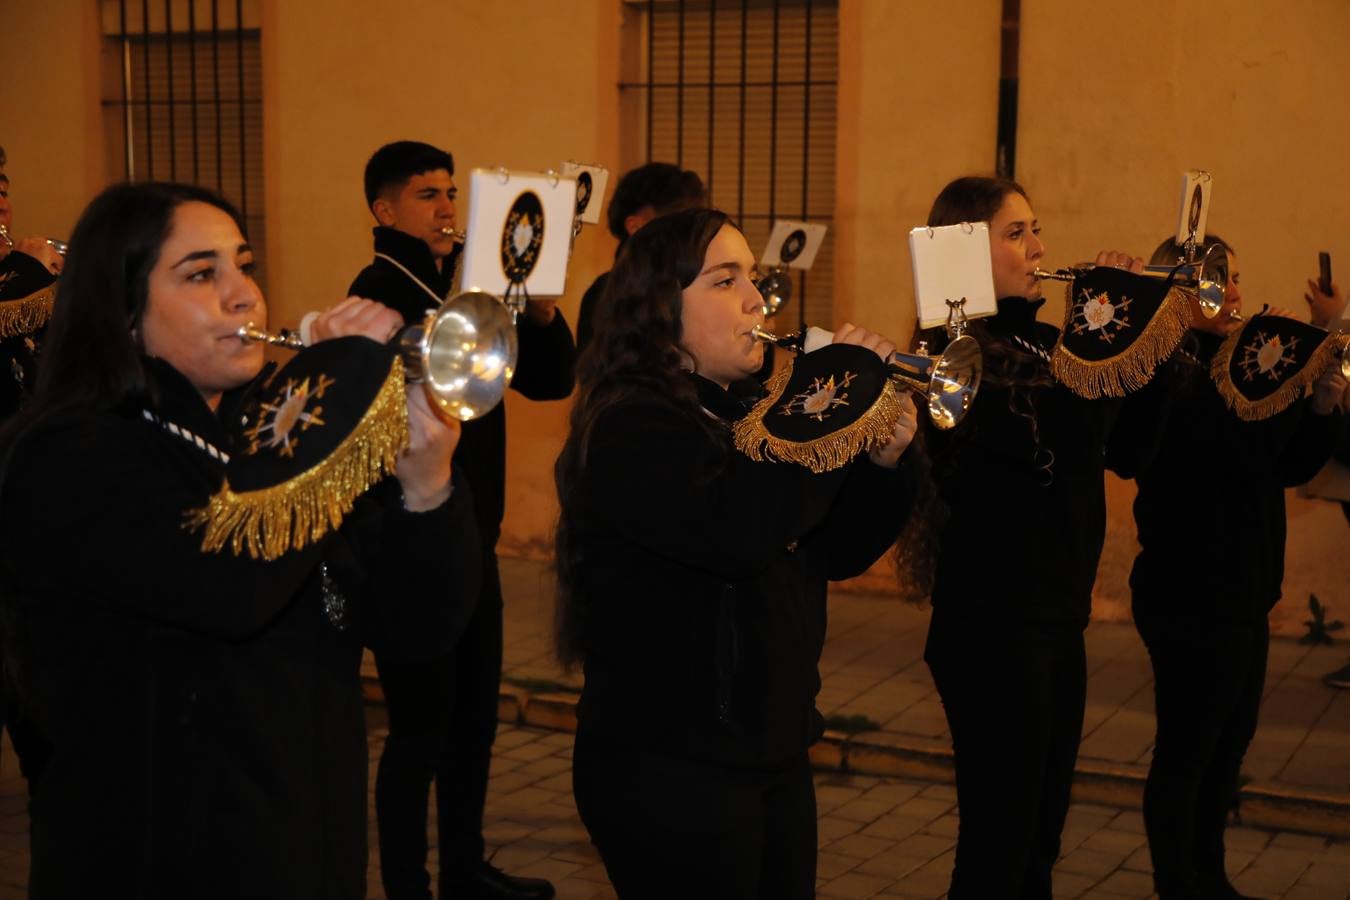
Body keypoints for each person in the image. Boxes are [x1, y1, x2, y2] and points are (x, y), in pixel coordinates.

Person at [0, 182, 480, 899]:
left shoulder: (262, 440)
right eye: (201, 274)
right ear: (121, 309)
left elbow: (418, 633)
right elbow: (231, 583)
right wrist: (338, 380)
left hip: (304, 855)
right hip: (155, 863)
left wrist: (425, 480)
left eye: (243, 266)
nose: (243, 296)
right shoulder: (70, 452)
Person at [554, 207, 923, 899]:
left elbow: (833, 551)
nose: (759, 300)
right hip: (671, 767)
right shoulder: (630, 426)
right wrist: (825, 407)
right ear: (661, 308)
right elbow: (738, 533)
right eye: (726, 280)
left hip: (770, 749)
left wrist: (882, 462)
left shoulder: (749, 410)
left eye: (753, 277)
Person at [901, 175, 1164, 899]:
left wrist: (1133, 333)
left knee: (1040, 842)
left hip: (1055, 627)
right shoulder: (954, 362)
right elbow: (1050, 448)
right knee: (997, 848)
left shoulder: (1049, 342)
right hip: (991, 635)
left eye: (1035, 230)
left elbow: (1131, 451)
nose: (1040, 248)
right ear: (962, 250)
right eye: (1016, 234)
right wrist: (1093, 330)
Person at [348, 140, 574, 900]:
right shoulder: (377, 290)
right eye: (426, 194)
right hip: (410, 542)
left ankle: (465, 870)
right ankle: (409, 883)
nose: (447, 207)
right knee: (418, 732)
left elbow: (549, 381)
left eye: (451, 192)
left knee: (473, 723)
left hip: (474, 538)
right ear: (385, 210)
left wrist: (537, 308)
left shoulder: (475, 283)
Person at [1122, 235, 1343, 899]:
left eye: (1237, 278)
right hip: (1188, 593)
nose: (1236, 293)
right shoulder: (1167, 370)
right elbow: (1219, 455)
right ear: (1178, 293)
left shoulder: (1241, 361)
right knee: (1187, 752)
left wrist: (1323, 404)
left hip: (1245, 593)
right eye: (1218, 282)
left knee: (1228, 748)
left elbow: (1287, 467)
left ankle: (1208, 876)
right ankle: (1177, 884)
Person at [574, 161, 705, 354]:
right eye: (678, 220)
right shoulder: (608, 292)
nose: (690, 234)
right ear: (635, 226)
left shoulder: (691, 284)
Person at [0, 152, 65, 419]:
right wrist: (30, 271)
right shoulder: (23, 274)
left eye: (3, 191)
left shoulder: (14, 273)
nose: (2, 206)